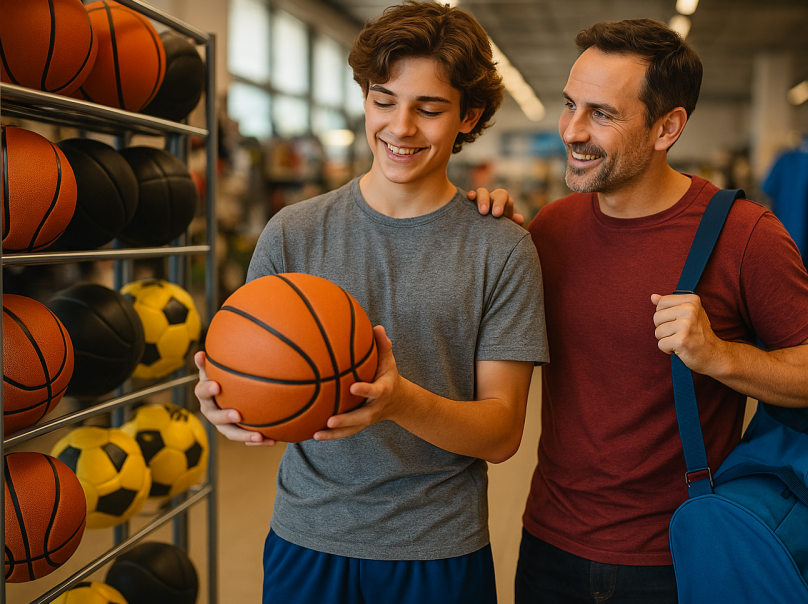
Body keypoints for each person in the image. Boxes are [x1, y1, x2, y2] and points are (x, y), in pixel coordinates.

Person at [478, 18, 808, 604]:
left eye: (602, 114)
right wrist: (480, 234)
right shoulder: (551, 229)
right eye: (570, 105)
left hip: (680, 556)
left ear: (667, 127)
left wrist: (721, 357)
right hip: (549, 545)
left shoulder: (742, 234)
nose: (572, 131)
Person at [193, 3, 548, 603]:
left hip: (437, 547)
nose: (400, 127)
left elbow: (502, 434)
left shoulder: (502, 247)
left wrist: (399, 401)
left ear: (471, 116)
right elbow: (252, 383)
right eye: (383, 101)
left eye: (429, 109)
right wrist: (226, 403)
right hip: (306, 538)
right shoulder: (291, 233)